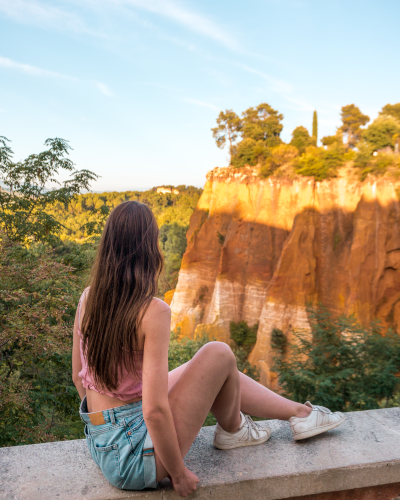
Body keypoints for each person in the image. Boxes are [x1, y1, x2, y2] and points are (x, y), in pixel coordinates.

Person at [72, 201, 345, 498]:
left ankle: (299, 414)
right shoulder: (152, 312)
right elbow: (153, 410)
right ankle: (236, 428)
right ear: (150, 248)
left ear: (108, 244)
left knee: (200, 368)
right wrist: (178, 474)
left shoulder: (89, 298)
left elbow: (78, 376)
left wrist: (106, 430)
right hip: (135, 459)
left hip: (102, 443)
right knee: (218, 353)